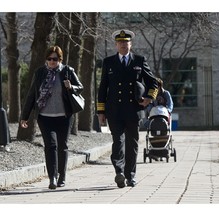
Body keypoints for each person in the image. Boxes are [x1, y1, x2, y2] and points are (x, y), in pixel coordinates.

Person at [97, 29, 158, 188]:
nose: (123, 45)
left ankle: (131, 176)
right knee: (118, 142)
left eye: (126, 42)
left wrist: (149, 98)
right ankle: (119, 172)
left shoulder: (139, 60)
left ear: (130, 44)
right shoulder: (109, 62)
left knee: (132, 144)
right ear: (116, 45)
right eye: (120, 42)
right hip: (114, 110)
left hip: (133, 109)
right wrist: (101, 111)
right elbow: (103, 87)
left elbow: (153, 82)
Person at [20, 46, 84, 190]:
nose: (52, 61)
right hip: (45, 117)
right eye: (49, 59)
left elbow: (80, 87)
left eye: (55, 59)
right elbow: (31, 95)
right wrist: (25, 116)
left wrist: (71, 87)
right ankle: (52, 177)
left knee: (63, 146)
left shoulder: (67, 71)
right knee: (50, 146)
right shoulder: (40, 73)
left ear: (60, 59)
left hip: (64, 116)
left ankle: (62, 176)